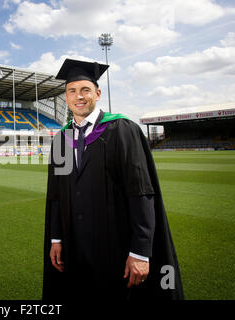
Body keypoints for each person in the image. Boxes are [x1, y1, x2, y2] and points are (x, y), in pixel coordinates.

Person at [42, 59, 183, 301]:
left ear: (97, 93)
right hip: (75, 244)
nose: (79, 96)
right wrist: (56, 238)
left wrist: (140, 251)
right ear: (65, 98)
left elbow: (141, 191)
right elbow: (55, 195)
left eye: (85, 90)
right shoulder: (61, 140)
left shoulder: (122, 130)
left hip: (116, 243)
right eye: (72, 91)